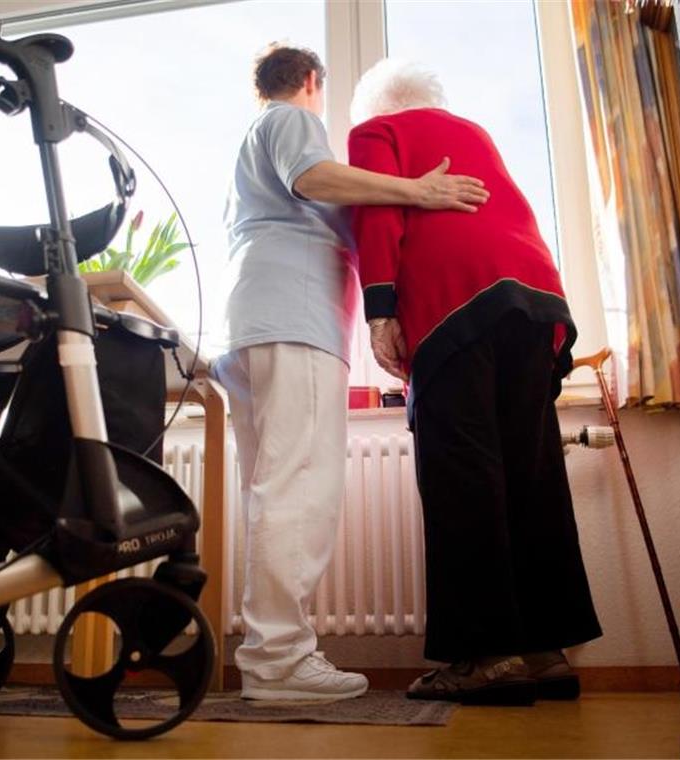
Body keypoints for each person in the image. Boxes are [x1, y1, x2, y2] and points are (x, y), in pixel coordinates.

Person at [214, 45, 489, 701]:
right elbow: (315, 178)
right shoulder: (291, 120)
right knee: (301, 489)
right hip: (292, 320)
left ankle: (271, 654)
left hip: (256, 322)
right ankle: (279, 662)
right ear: (312, 82)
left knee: (274, 490)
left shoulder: (253, 143)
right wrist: (418, 190)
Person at [348, 60, 602, 704]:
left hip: (455, 301)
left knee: (463, 472)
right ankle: (546, 651)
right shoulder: (474, 132)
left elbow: (378, 214)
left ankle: (486, 657)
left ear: (375, 104)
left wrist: (380, 313)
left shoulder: (377, 133)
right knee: (531, 469)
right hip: (535, 295)